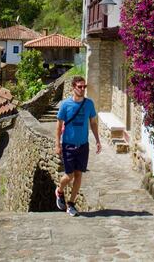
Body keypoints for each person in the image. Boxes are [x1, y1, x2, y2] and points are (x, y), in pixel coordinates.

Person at [55, 75, 101, 216]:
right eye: (79, 87)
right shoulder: (65, 105)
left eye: (84, 87)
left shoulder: (89, 104)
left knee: (79, 174)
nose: (82, 89)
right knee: (69, 176)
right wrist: (57, 144)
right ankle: (60, 190)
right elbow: (58, 127)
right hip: (68, 144)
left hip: (83, 145)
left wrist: (98, 140)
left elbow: (93, 123)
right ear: (73, 87)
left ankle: (71, 204)